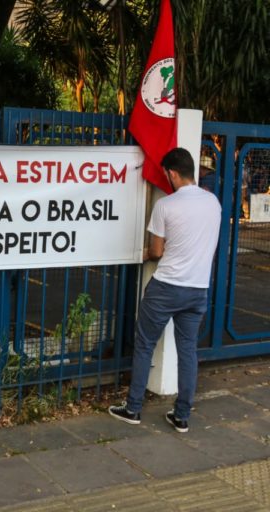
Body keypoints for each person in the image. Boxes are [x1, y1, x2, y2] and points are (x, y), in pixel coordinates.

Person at [109, 148, 221, 433]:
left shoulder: (166, 206)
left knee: (145, 343)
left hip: (167, 287)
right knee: (187, 350)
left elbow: (157, 251)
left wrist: (145, 252)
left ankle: (133, 408)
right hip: (197, 289)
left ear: (172, 174)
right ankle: (181, 415)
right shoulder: (213, 203)